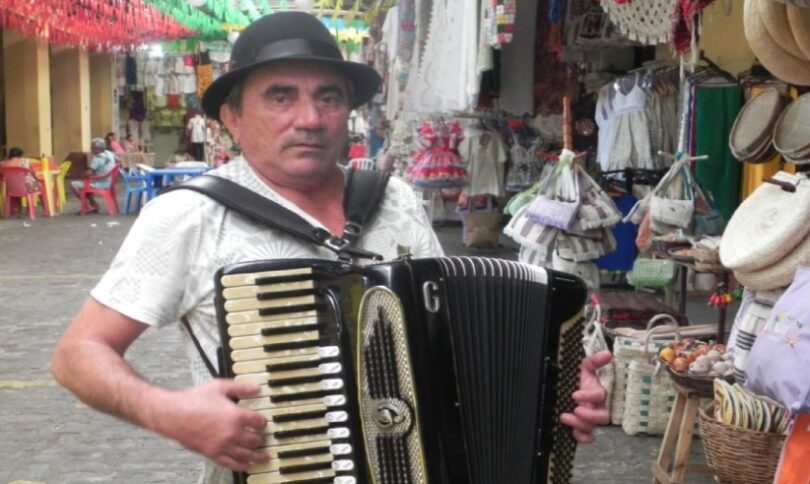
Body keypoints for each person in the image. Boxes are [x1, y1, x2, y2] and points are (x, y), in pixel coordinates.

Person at [51, 12, 611, 484]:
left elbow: (454, 339)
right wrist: (167, 411)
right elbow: (78, 354)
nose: (310, 119)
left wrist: (555, 386)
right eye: (280, 97)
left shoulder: (394, 199)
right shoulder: (190, 215)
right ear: (232, 118)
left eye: (329, 97)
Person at [70, 138, 117, 213]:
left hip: (101, 183)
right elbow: (119, 160)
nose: (91, 149)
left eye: (92, 147)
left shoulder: (98, 158)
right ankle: (94, 205)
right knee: (86, 184)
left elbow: (88, 173)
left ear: (97, 148)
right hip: (110, 181)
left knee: (74, 185)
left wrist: (80, 176)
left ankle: (86, 206)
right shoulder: (109, 153)